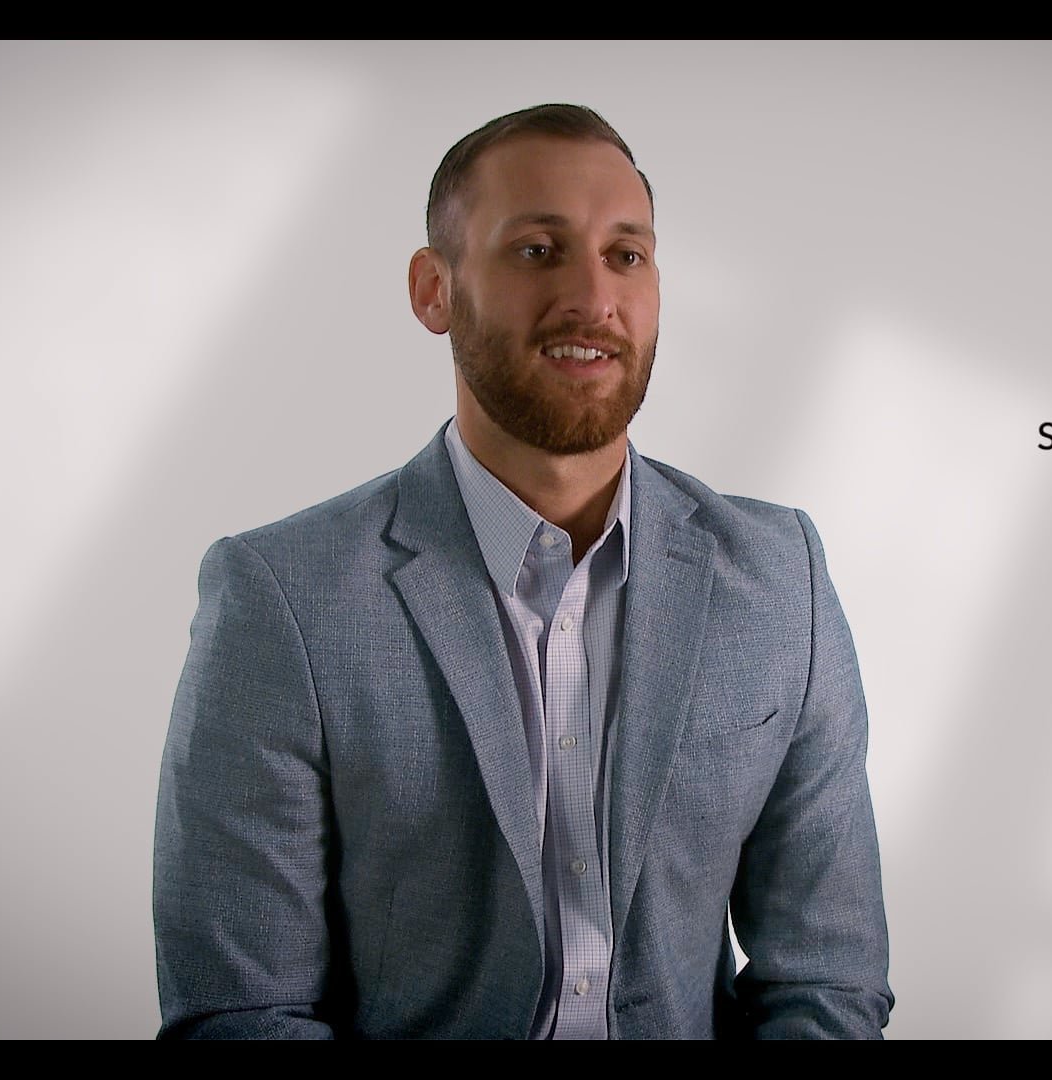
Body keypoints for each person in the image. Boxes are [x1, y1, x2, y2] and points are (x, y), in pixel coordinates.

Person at [152, 104, 893, 1039]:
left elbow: (828, 983)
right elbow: (241, 1012)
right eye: (539, 250)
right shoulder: (282, 596)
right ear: (434, 290)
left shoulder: (782, 579)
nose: (593, 297)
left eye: (626, 255)